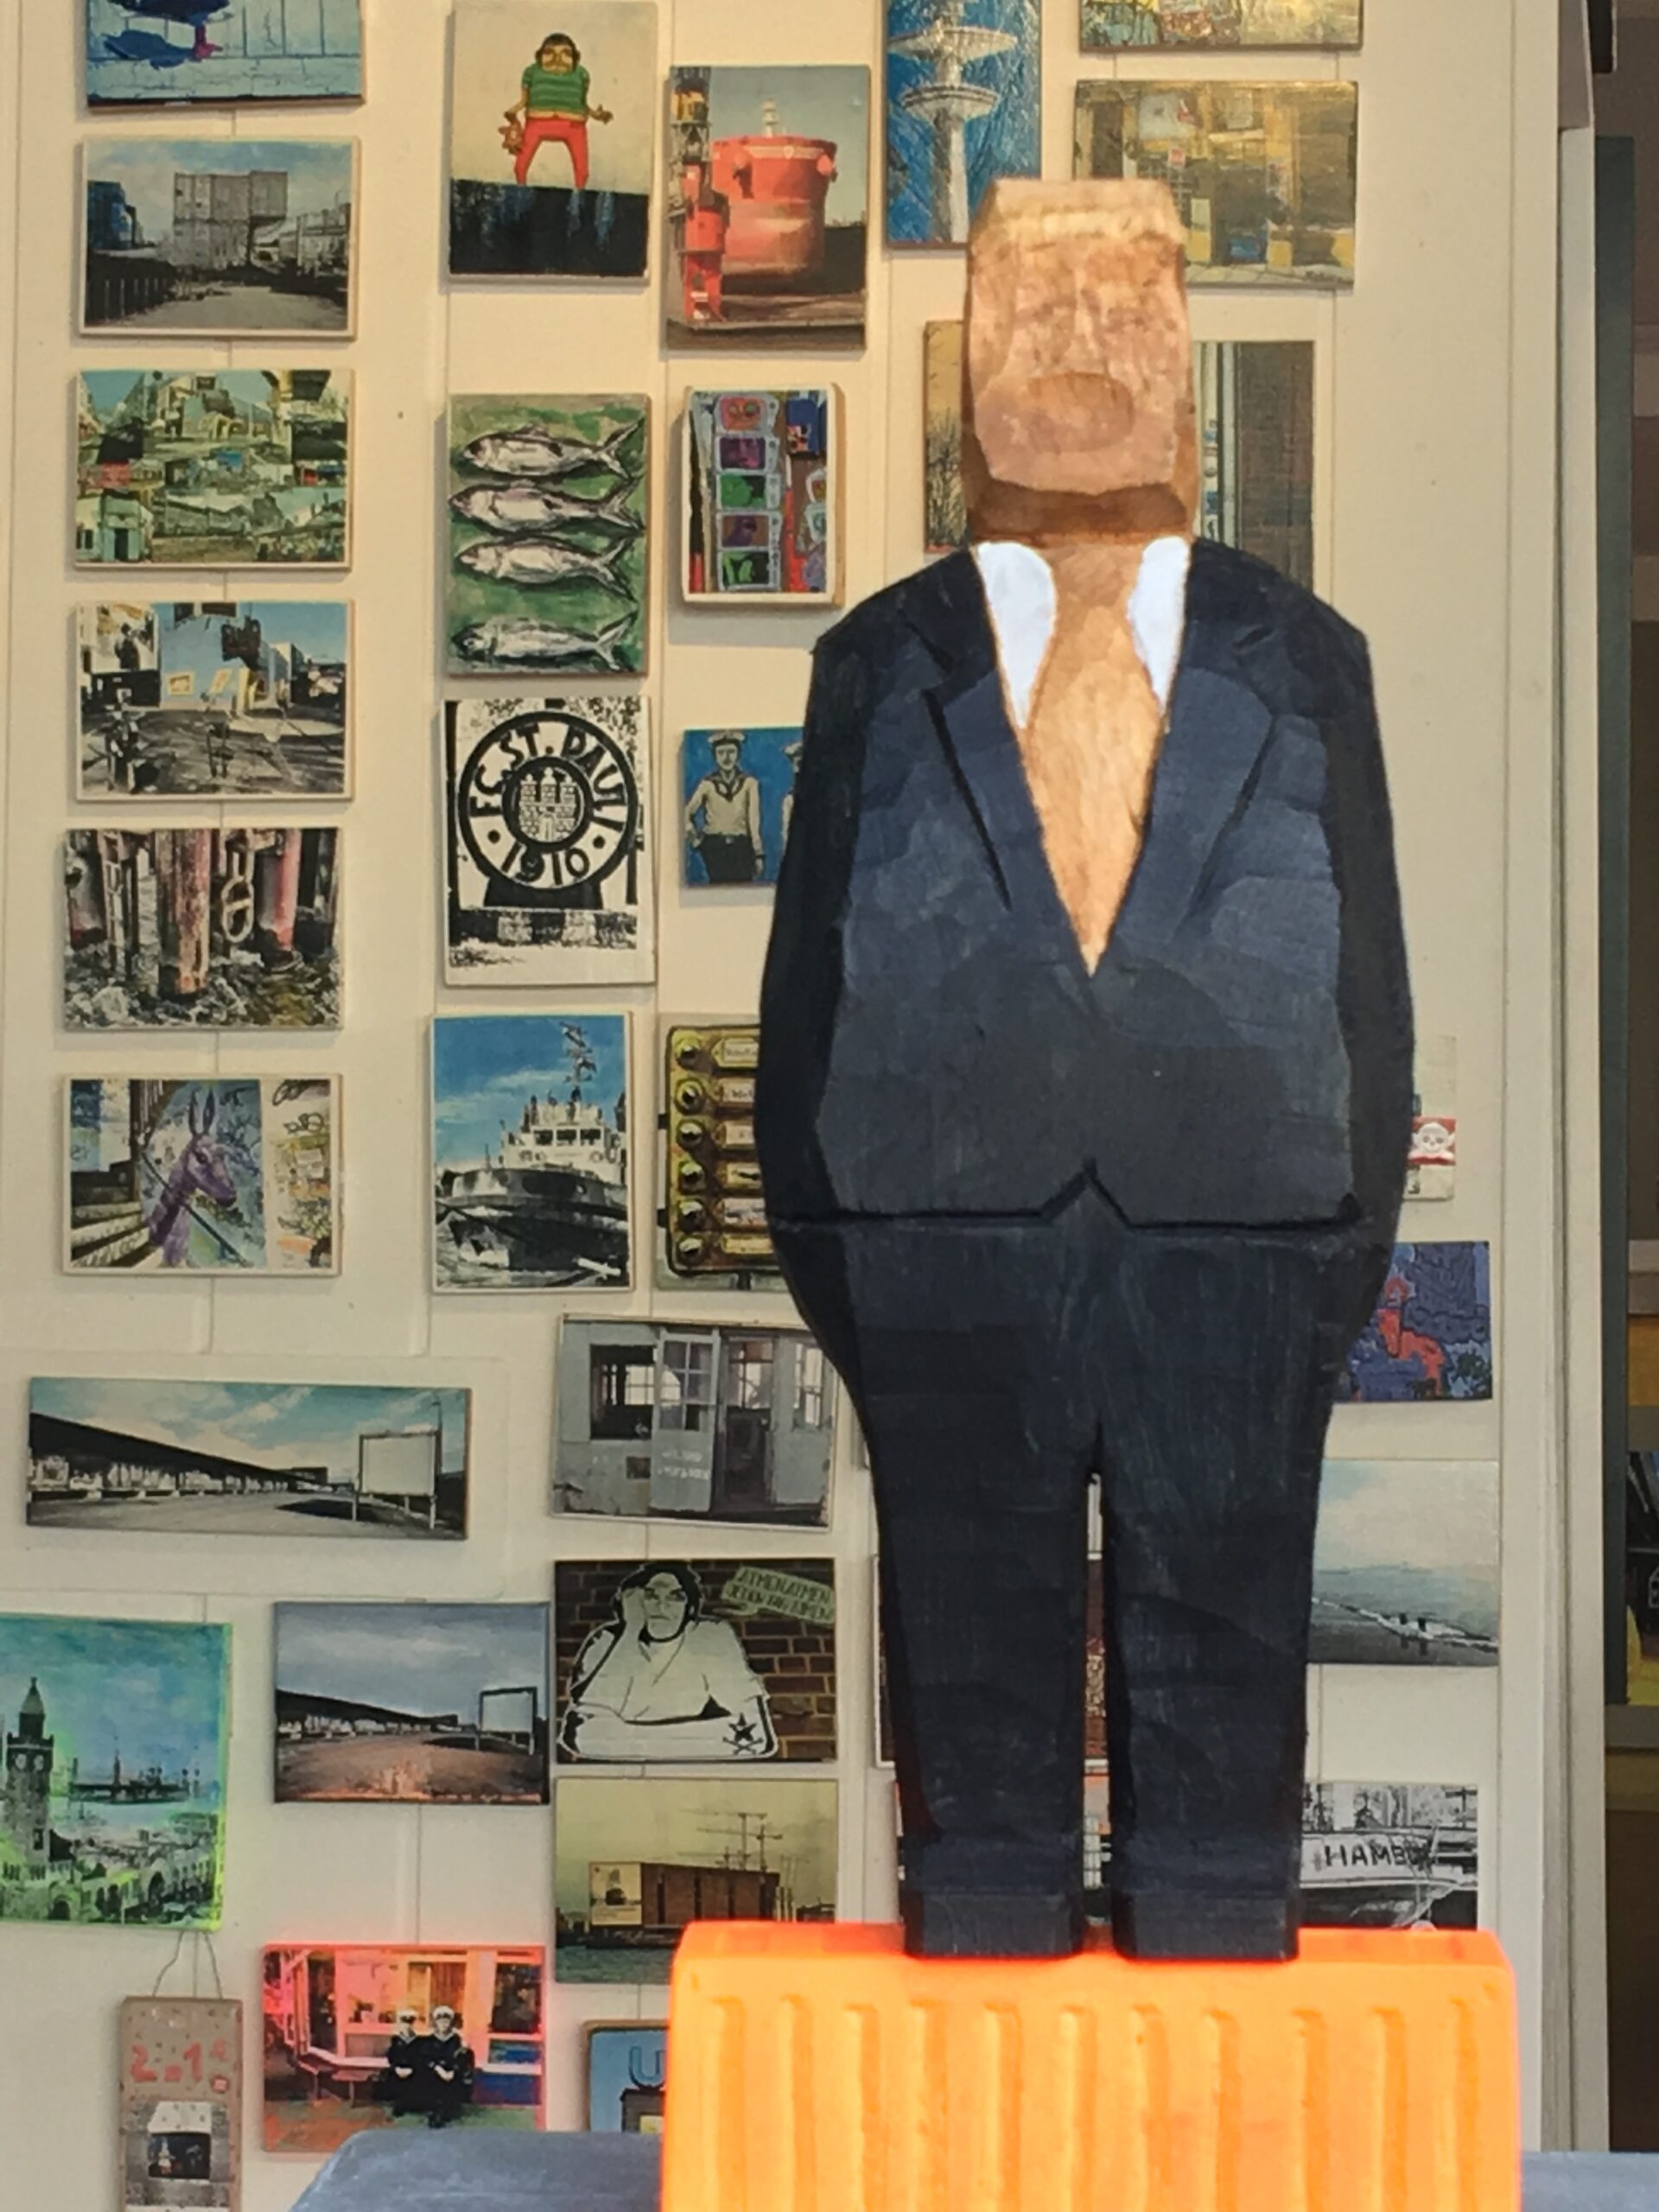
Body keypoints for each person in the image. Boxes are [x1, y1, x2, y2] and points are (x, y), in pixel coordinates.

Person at [755, 181, 1411, 1963]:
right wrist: (845, 1257)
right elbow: (808, 988)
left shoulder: (1305, 658)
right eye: (1030, 308)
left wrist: (1332, 1255)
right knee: (965, 1633)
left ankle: (1216, 1896)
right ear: (961, 353)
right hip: (938, 1242)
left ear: (1189, 355)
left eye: (1121, 307)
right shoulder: (879, 662)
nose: (1074, 347)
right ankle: (984, 1901)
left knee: (1229, 1609)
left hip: (1247, 1237)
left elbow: (1367, 988)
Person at [560, 1564, 778, 1761]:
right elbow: (581, 1733)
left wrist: (625, 1737)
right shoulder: (606, 1640)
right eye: (650, 1596)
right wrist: (631, 1629)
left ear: (689, 1608)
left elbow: (755, 1736)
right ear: (632, 1602)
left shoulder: (711, 1636)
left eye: (676, 1597)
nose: (661, 1606)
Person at [502, 32, 612, 192]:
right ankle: (520, 191)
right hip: (537, 122)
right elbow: (524, 101)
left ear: (575, 57)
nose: (557, 59)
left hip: (574, 125)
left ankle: (580, 195)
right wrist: (512, 115)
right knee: (520, 166)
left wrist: (597, 114)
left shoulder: (581, 74)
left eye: (566, 54)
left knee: (582, 172)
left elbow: (583, 102)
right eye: (549, 53)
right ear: (539, 56)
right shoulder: (531, 72)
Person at [684, 731, 764, 884]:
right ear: (715, 756)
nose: (726, 757)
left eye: (731, 752)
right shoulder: (707, 784)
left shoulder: (749, 783)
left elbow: (754, 821)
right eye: (721, 753)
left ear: (738, 754)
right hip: (715, 847)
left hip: (742, 848)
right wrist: (695, 840)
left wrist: (758, 853)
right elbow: (686, 813)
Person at [678, 160, 731, 327]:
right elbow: (726, 220)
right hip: (710, 236)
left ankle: (692, 310)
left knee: (692, 275)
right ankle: (710, 310)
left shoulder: (683, 189)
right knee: (709, 275)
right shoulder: (718, 200)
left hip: (693, 237)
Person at [423, 2008, 474, 2129]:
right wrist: (438, 2069)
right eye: (441, 2022)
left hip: (452, 2073)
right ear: (436, 2023)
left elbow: (462, 2059)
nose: (443, 2025)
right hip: (435, 2073)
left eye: (446, 2022)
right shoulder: (429, 2040)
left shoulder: (457, 2040)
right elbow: (425, 2058)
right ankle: (434, 2112)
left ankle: (447, 2111)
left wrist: (453, 2071)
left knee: (451, 2087)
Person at [376, 2009, 427, 2120]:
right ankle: (398, 2107)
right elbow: (391, 2057)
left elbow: (420, 2058)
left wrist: (412, 2069)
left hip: (412, 2070)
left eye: (409, 2024)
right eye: (404, 2024)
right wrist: (396, 2068)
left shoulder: (419, 2041)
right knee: (392, 2081)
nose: (406, 2027)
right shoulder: (395, 2040)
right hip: (398, 2069)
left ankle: (411, 2106)